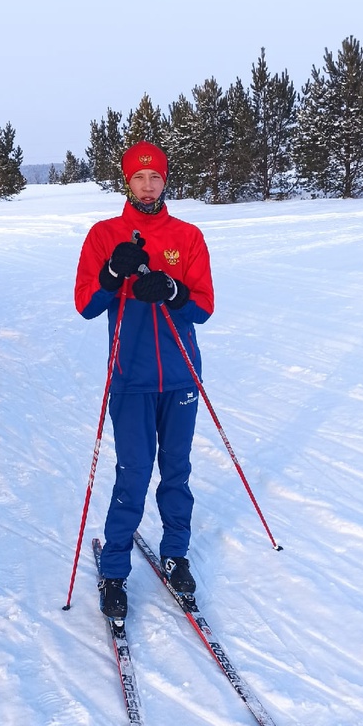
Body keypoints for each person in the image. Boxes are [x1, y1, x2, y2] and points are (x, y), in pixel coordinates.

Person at [75, 141, 215, 620]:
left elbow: (203, 308)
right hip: (131, 378)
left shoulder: (188, 236)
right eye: (139, 177)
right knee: (133, 474)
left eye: (155, 177)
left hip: (180, 376)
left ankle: (176, 553)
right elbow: (87, 305)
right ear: (126, 181)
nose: (148, 185)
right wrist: (114, 271)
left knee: (176, 471)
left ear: (165, 180)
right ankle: (114, 571)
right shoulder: (104, 234)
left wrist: (173, 290)